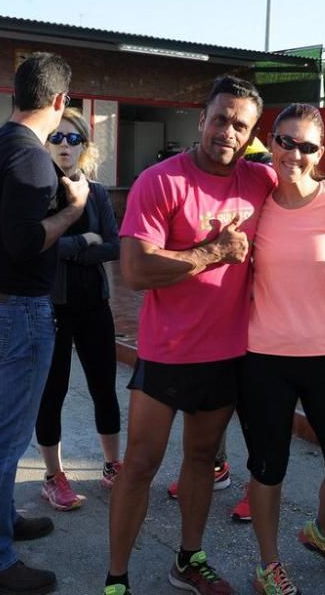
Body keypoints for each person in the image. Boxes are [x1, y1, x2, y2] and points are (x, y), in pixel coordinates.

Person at [105, 75, 276, 595]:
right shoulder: (160, 181)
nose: (228, 131)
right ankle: (116, 579)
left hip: (227, 355)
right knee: (140, 465)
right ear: (202, 119)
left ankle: (189, 559)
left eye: (240, 125)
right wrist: (210, 254)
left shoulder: (261, 182)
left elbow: (310, 187)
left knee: (202, 461)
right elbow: (134, 271)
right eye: (221, 118)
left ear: (250, 136)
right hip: (167, 354)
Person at [238, 104, 325, 594]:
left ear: (321, 152)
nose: (294, 154)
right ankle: (268, 564)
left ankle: (322, 532)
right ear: (270, 141)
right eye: (285, 141)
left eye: (307, 146)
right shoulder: (254, 201)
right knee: (267, 467)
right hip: (264, 358)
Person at [0, 52, 86, 595]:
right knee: (5, 439)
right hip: (18, 311)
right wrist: (72, 211)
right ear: (59, 102)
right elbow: (23, 241)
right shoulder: (33, 160)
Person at [34, 107, 123, 512]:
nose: (65, 146)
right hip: (50, 308)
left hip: (93, 304)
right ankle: (53, 475)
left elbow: (114, 245)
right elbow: (38, 252)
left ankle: (112, 464)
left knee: (104, 387)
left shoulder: (98, 192)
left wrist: (73, 246)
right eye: (57, 137)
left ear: (85, 145)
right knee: (51, 393)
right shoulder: (35, 191)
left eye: (73, 139)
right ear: (46, 142)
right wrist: (84, 241)